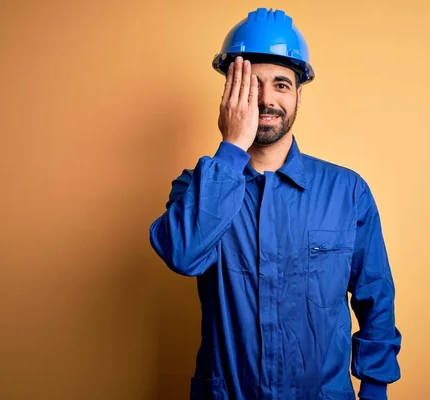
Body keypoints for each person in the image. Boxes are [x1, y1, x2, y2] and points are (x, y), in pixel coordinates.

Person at [149, 7, 401, 400]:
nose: (266, 100)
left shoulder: (347, 192)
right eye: (251, 85)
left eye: (281, 84)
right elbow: (183, 255)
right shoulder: (197, 189)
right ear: (230, 95)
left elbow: (376, 296)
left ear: (299, 93)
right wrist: (232, 147)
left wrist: (374, 387)